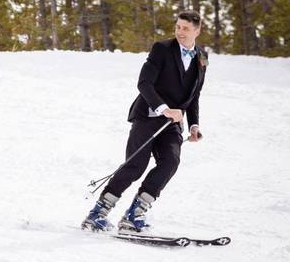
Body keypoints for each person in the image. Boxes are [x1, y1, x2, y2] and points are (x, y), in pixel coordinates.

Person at [82, 12, 208, 232]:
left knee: (170, 162)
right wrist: (165, 109)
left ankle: (134, 214)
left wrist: (194, 125)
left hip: (172, 125)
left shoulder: (202, 58)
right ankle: (97, 214)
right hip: (148, 116)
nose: (180, 32)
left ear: (197, 30)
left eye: (185, 28)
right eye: (178, 27)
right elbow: (144, 84)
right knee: (135, 166)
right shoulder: (162, 49)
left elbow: (194, 95)